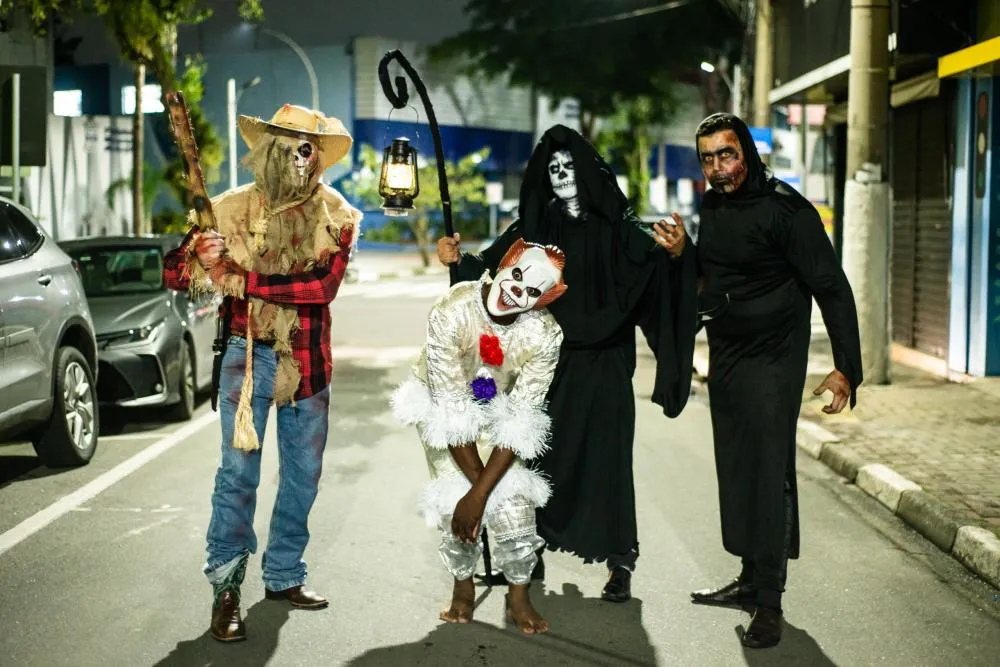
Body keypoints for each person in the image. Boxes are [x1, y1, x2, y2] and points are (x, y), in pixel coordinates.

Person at [436, 125, 698, 602]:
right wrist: (456, 259)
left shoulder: (619, 227)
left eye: (569, 166)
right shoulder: (537, 229)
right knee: (538, 459)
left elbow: (659, 269)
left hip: (606, 365)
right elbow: (491, 270)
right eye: (553, 168)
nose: (560, 174)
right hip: (550, 365)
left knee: (609, 463)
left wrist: (679, 254)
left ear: (587, 171)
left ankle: (620, 561)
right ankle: (527, 554)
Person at [162, 104, 361, 643]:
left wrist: (242, 279)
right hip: (245, 356)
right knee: (238, 476)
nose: (301, 156)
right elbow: (174, 273)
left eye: (309, 148)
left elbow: (321, 288)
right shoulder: (227, 210)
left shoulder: (337, 216)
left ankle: (285, 573)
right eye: (290, 144)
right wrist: (199, 254)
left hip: (308, 362)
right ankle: (226, 589)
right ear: (269, 150)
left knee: (303, 476)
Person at [687, 112, 863, 649]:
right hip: (728, 357)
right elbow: (712, 275)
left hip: (775, 359)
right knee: (737, 467)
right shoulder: (713, 205)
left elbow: (832, 287)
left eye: (728, 154)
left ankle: (769, 602)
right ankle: (748, 579)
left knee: (768, 471)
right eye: (709, 158)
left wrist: (846, 367)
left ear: (748, 151)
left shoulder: (788, 210)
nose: (719, 167)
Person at [392, 239, 568, 634]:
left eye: (533, 290)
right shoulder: (452, 308)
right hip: (442, 404)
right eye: (517, 275)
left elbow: (520, 420)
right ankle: (463, 586)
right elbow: (451, 412)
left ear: (544, 299)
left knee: (515, 500)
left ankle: (518, 594)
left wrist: (483, 494)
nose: (517, 291)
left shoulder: (545, 334)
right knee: (456, 493)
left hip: (500, 409)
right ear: (505, 263)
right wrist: (476, 495)